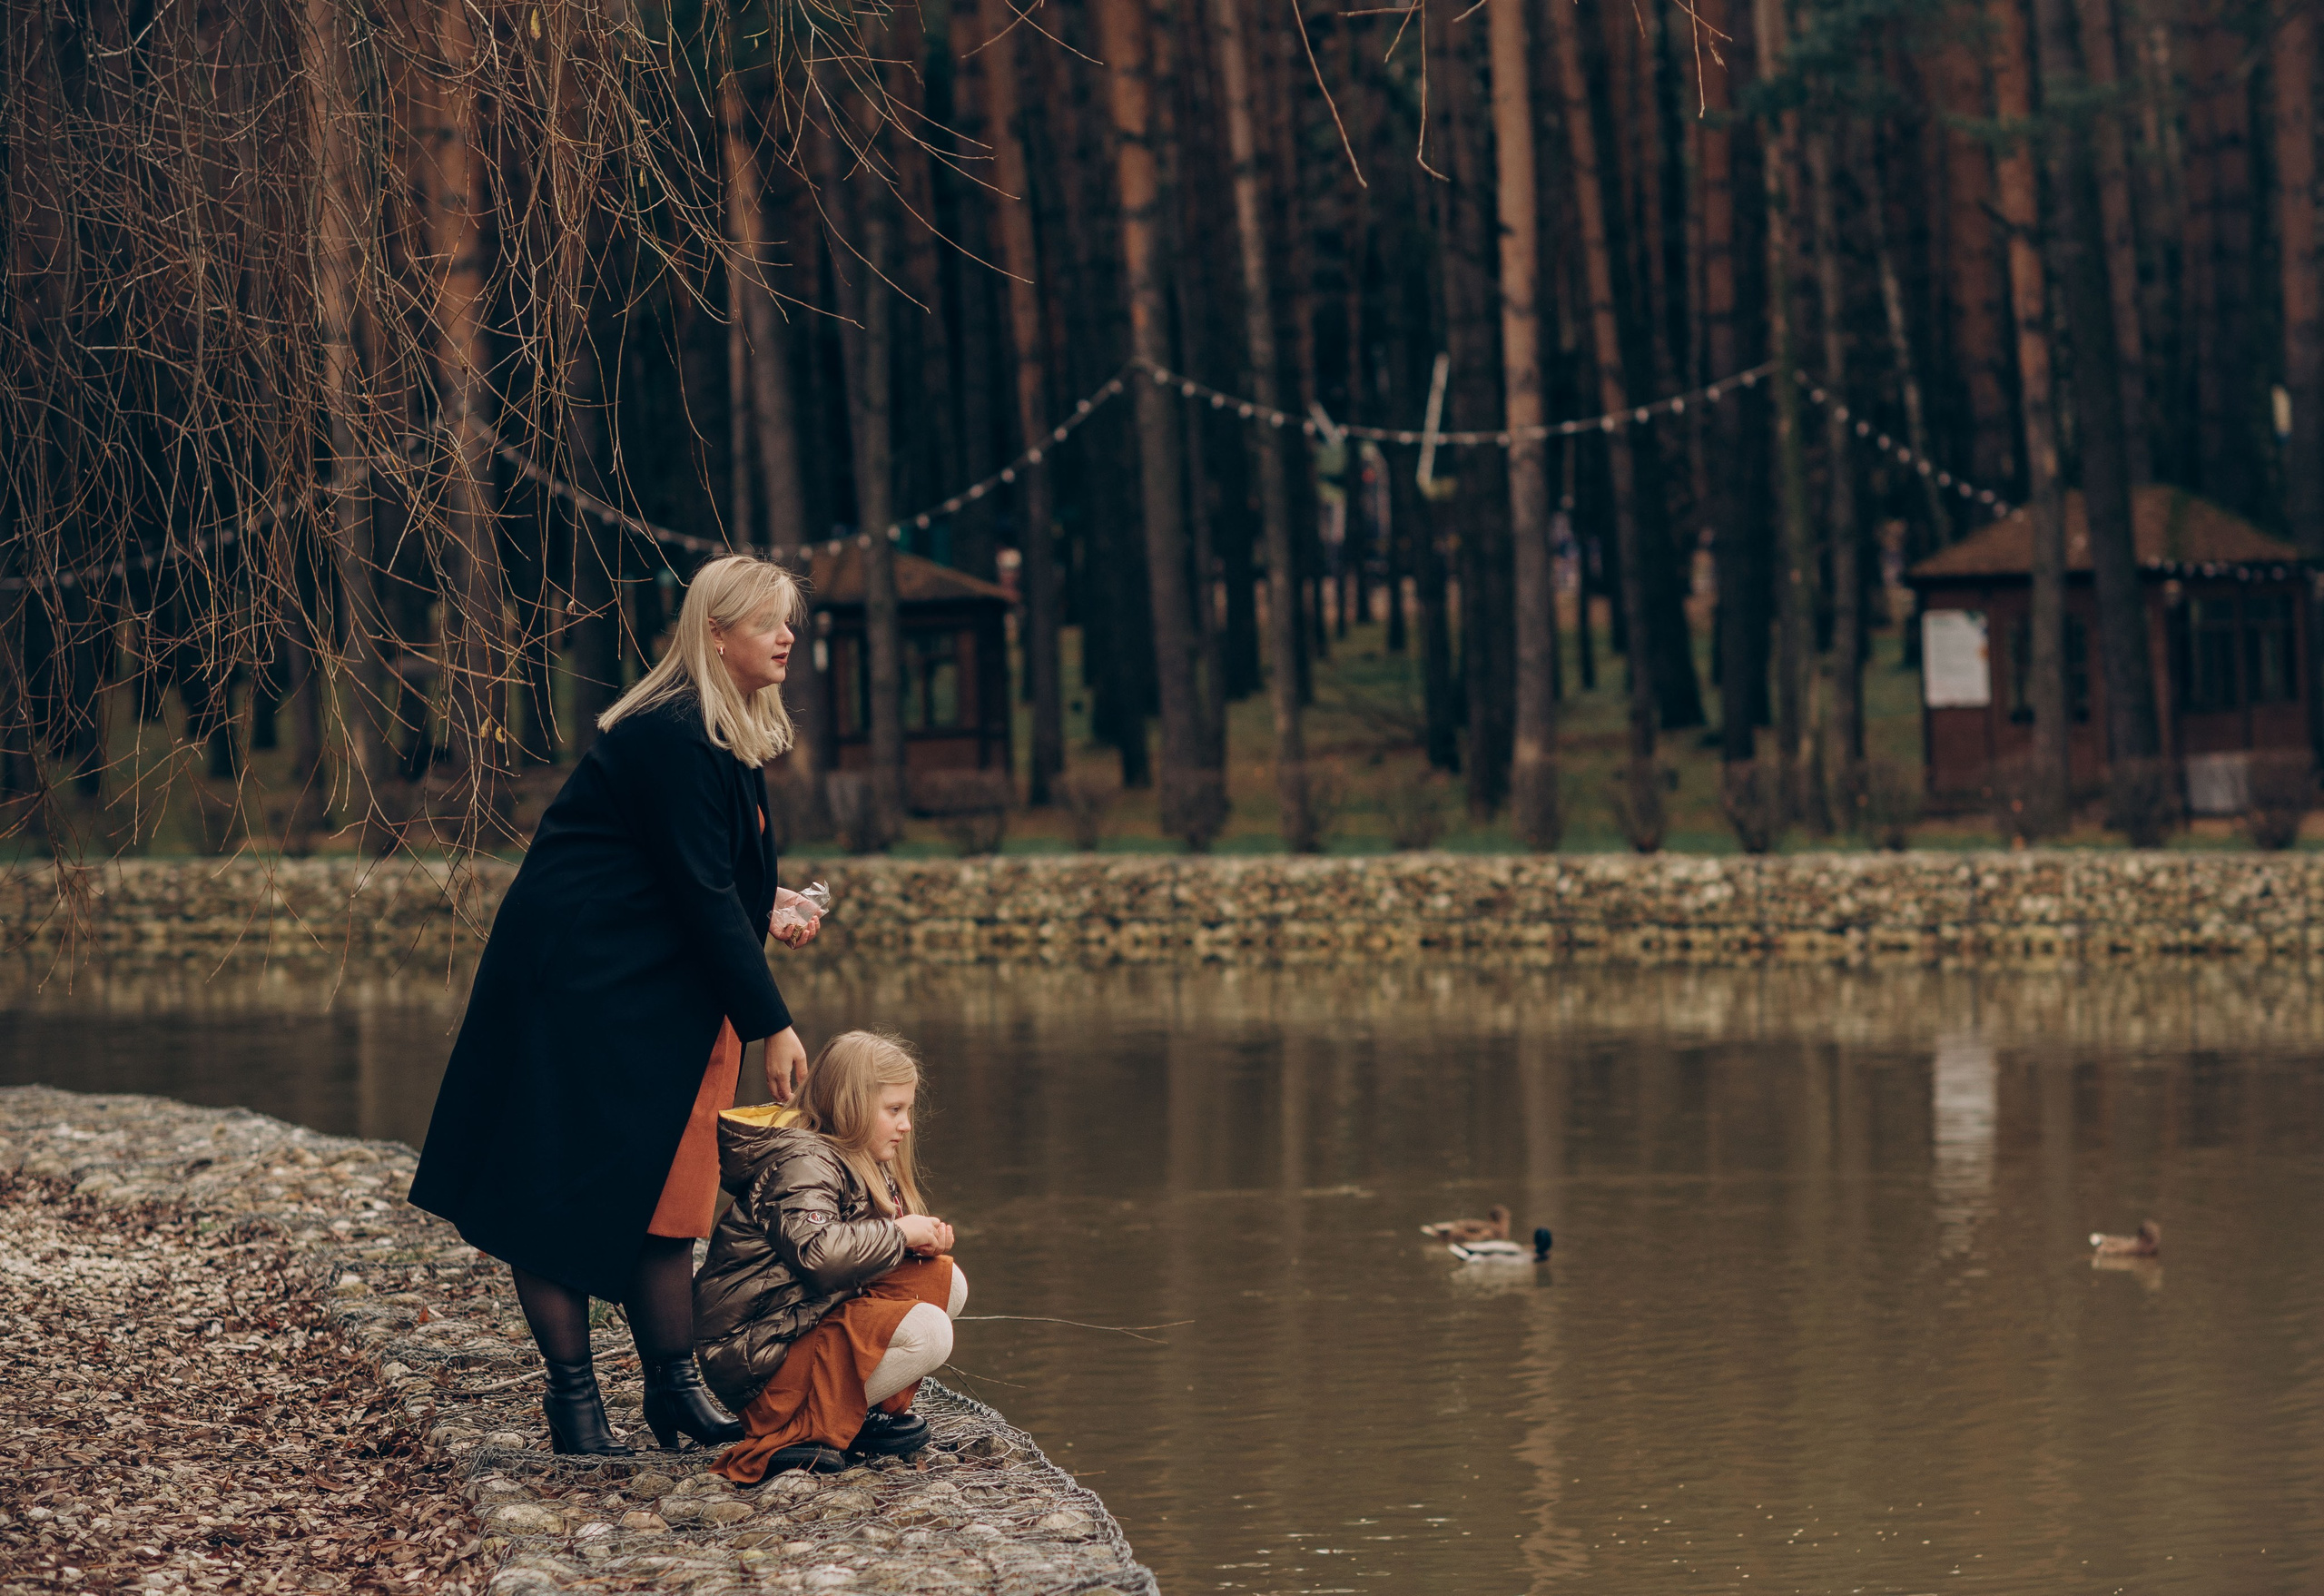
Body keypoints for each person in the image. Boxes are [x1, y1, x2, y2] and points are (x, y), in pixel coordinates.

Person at [409, 553, 825, 1456]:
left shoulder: (717, 731)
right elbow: (697, 893)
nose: (786, 636)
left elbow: (698, 880)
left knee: (668, 1193)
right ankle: (575, 1408)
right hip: (575, 989)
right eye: (766, 623)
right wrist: (772, 1022)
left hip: (640, 985)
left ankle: (672, 1392)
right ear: (716, 635)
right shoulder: (672, 734)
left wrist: (769, 904)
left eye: (788, 620)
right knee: (549, 1189)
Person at [694, 1030, 966, 1480]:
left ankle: (852, 1415)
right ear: (850, 1105)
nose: (906, 1125)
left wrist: (915, 1242)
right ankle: (799, 1429)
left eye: (908, 1110)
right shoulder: (803, 1164)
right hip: (760, 1362)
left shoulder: (854, 1156)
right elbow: (818, 1255)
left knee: (942, 1280)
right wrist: (898, 1233)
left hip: (801, 1323)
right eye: (894, 1110)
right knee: (931, 1332)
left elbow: (851, 1258)